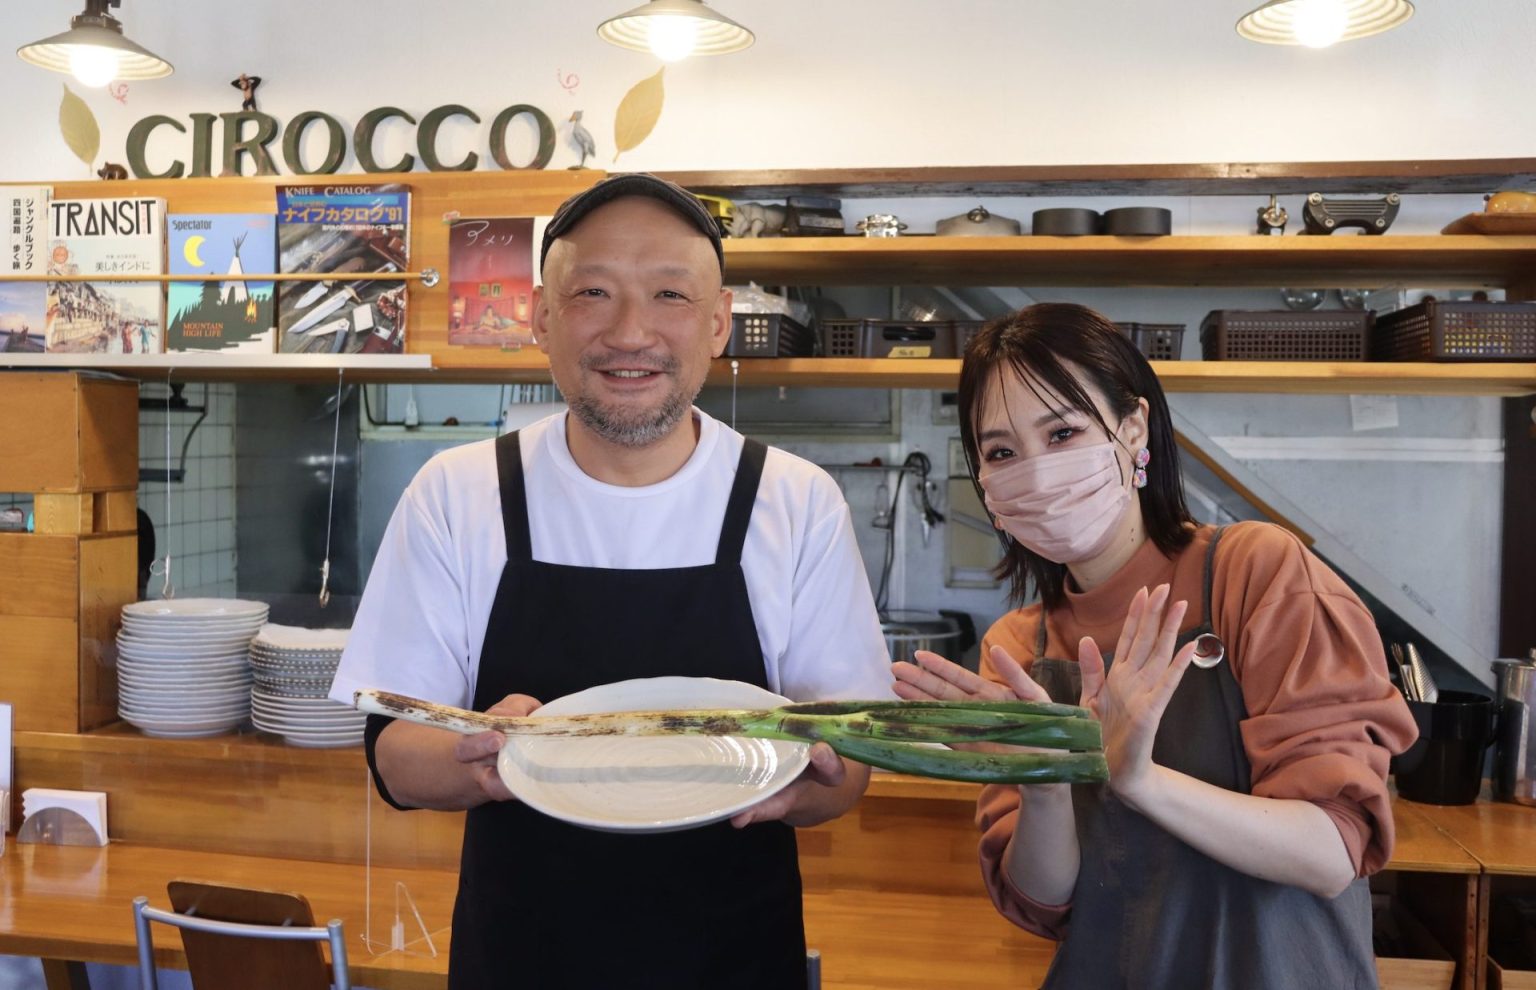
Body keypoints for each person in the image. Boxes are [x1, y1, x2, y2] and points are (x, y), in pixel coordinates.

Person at [329, 173, 891, 990]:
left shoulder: (794, 501)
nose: (632, 333)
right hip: (519, 959)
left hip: (734, 959)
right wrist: (479, 756)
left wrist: (813, 786)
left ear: (718, 322)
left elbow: (851, 761)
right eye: (593, 292)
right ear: (542, 317)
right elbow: (393, 752)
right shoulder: (459, 492)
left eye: (669, 294)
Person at [892, 303, 1417, 989]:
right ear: (988, 486)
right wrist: (1044, 786)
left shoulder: (1254, 574)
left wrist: (1138, 780)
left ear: (1133, 429)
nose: (1037, 472)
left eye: (1062, 432)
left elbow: (1330, 849)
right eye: (1001, 452)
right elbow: (1045, 904)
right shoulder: (1016, 647)